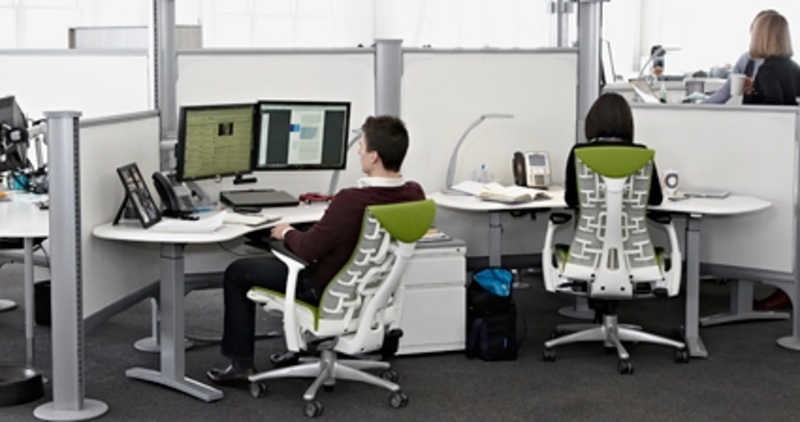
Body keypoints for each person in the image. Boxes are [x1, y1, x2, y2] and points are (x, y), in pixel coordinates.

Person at [206, 115, 425, 386]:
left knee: (238, 272)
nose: (358, 151)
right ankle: (302, 349)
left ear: (374, 156)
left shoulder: (351, 200)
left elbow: (308, 249)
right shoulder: (414, 194)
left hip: (322, 288)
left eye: (362, 145)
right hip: (364, 291)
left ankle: (241, 366)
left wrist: (286, 232)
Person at [565, 92, 663, 209]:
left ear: (592, 121)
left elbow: (571, 200)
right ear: (627, 123)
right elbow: (655, 199)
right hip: (629, 221)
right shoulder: (641, 153)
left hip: (591, 221)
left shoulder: (578, 152)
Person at [703, 10, 779, 105]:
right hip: (750, 112)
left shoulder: (779, 65)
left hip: (765, 113)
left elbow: (775, 103)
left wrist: (755, 88)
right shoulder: (746, 59)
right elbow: (725, 93)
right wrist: (696, 107)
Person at [743, 12, 800, 106]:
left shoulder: (767, 69)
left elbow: (773, 105)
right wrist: (756, 88)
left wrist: (749, 97)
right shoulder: (794, 67)